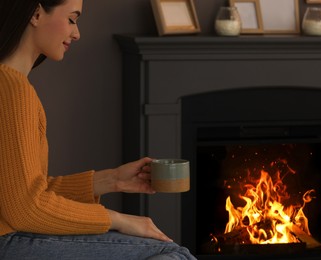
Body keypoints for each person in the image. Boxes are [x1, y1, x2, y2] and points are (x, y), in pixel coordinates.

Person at [0, 0, 196, 259]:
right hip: (8, 241)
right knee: (171, 253)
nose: (77, 33)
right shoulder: (13, 90)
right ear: (36, 13)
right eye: (72, 19)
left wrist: (113, 179)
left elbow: (22, 193)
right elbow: (26, 208)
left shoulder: (11, 84)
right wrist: (117, 219)